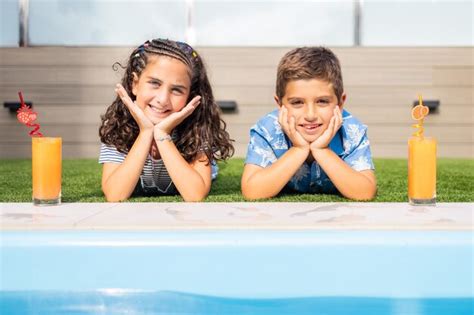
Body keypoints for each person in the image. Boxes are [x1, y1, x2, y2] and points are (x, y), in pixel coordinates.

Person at [99, 38, 233, 202]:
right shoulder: (118, 125)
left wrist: (162, 134)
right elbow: (115, 194)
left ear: (189, 96)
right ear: (135, 84)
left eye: (176, 90)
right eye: (155, 83)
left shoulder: (197, 128)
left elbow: (195, 194)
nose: (163, 99)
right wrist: (146, 132)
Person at [241, 46, 376, 200]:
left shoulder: (352, 131)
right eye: (297, 102)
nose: (310, 115)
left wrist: (322, 150)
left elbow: (365, 193)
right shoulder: (266, 130)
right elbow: (252, 192)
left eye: (322, 101)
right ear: (279, 104)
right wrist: (298, 149)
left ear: (340, 102)